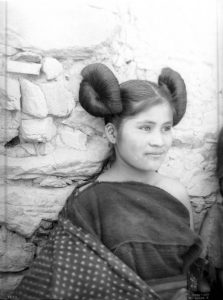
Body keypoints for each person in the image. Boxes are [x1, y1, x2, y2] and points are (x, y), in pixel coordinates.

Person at [10, 63, 202, 300]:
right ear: (112, 133)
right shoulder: (89, 202)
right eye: (145, 128)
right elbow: (64, 285)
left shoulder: (177, 193)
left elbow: (189, 271)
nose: (159, 141)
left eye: (166, 128)